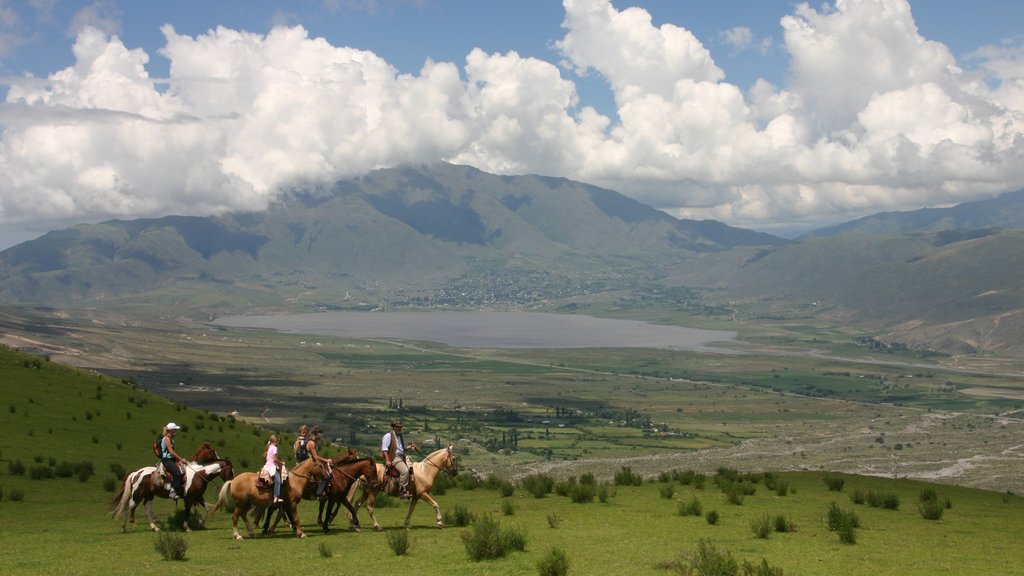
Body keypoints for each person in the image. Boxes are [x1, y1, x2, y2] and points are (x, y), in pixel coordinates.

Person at [381, 419, 417, 498]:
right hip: (394, 457)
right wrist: (387, 460)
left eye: (400, 427)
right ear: (393, 427)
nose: (399, 428)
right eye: (397, 427)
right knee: (405, 471)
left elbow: (402, 448)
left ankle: (410, 489)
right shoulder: (388, 436)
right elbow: (384, 449)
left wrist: (410, 447)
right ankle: (402, 491)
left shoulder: (400, 436)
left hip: (402, 456)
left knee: (414, 469)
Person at [159, 422, 186, 500]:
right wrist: (181, 459)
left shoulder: (171, 438)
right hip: (167, 460)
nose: (175, 430)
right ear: (170, 430)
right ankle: (172, 491)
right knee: (177, 473)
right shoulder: (167, 439)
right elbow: (171, 452)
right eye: (174, 429)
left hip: (171, 459)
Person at [263, 434, 284, 504]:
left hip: (267, 465)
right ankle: (276, 497)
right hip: (272, 466)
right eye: (278, 440)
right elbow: (274, 459)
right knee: (278, 480)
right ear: (275, 440)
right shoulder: (274, 448)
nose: (278, 442)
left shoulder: (269, 447)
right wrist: (282, 463)